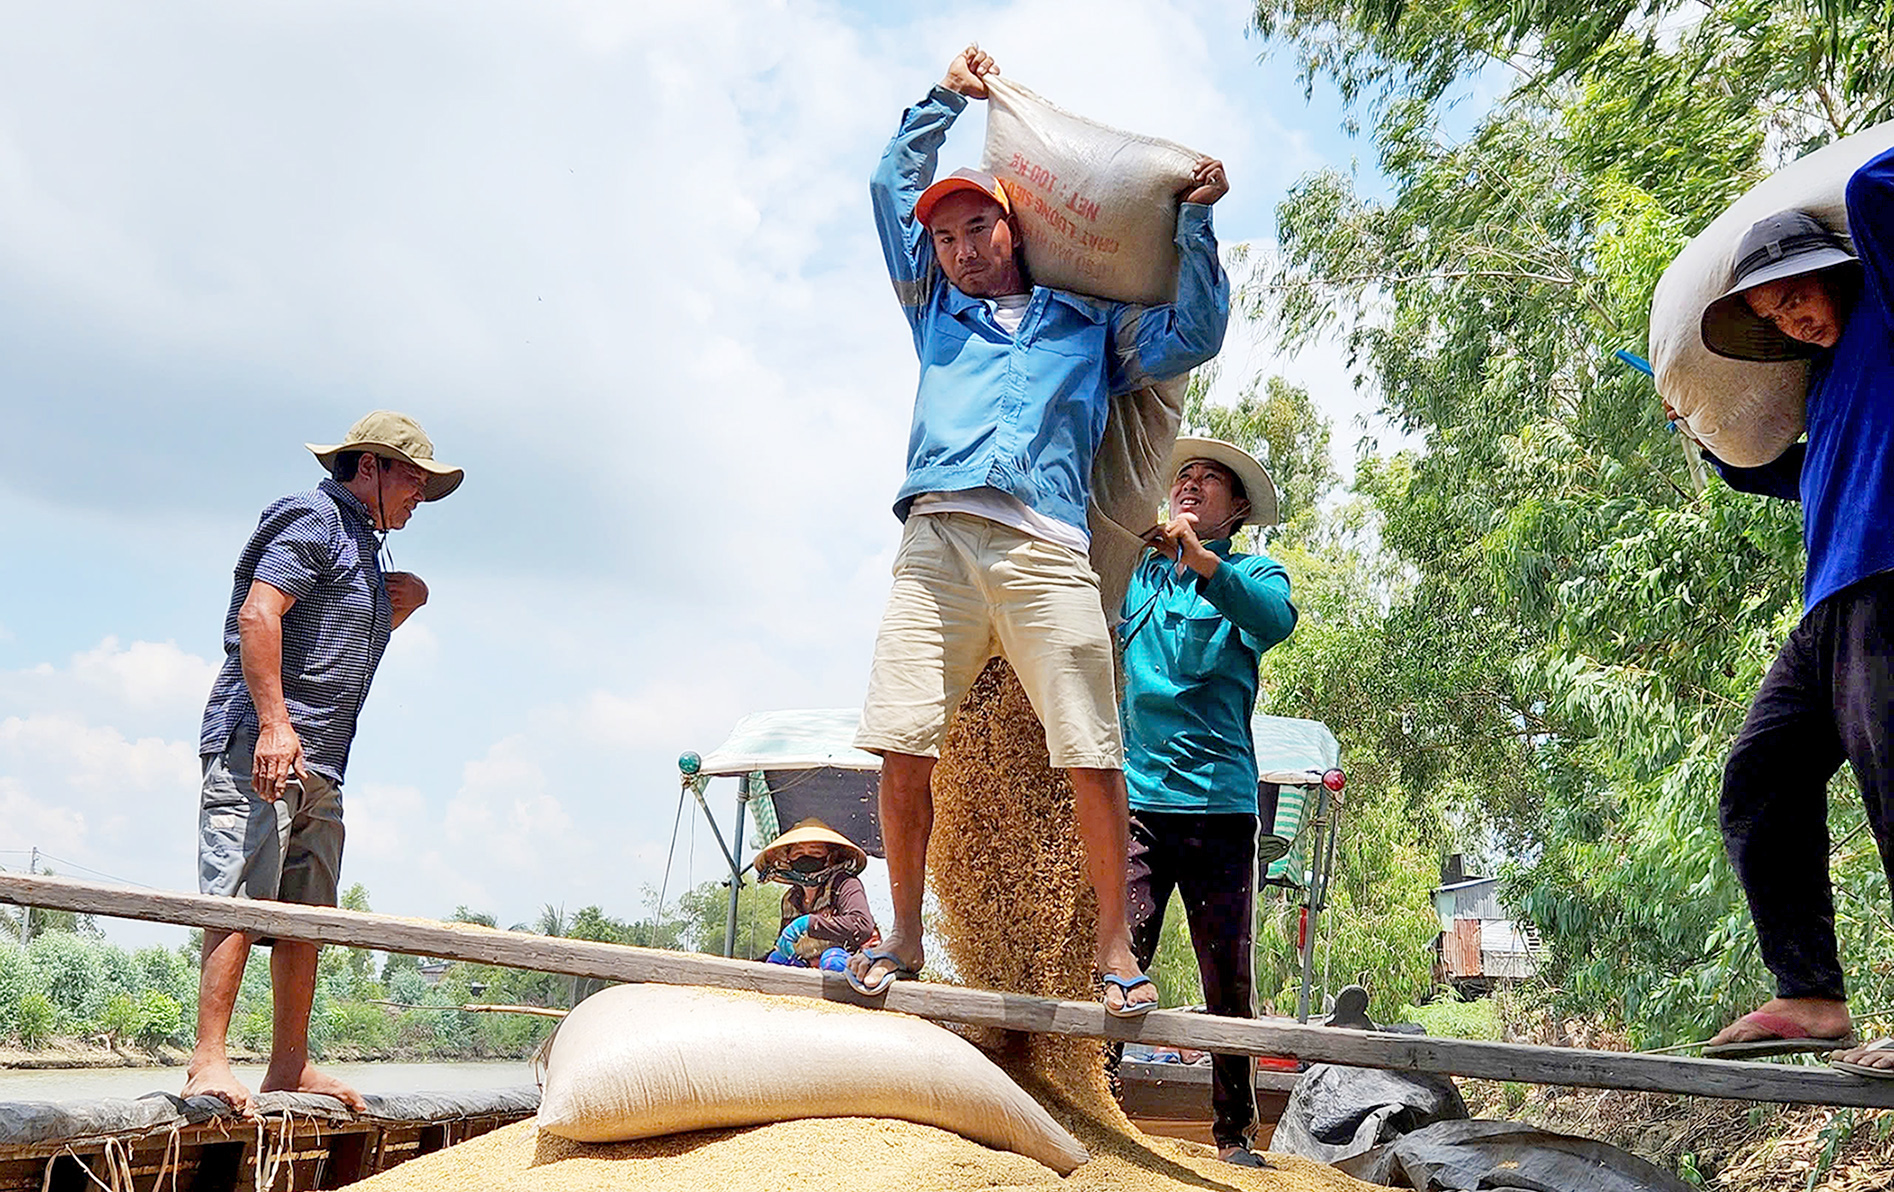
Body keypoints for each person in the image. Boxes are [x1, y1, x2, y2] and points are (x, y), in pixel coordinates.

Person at [848, 46, 1231, 1013]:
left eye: (978, 228)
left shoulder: (1086, 327)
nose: (962, 248)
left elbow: (1192, 335)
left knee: (1092, 750)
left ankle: (1113, 948)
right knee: (901, 740)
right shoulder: (934, 310)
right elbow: (889, 182)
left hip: (1046, 547)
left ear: (1014, 231)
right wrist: (944, 98)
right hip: (935, 538)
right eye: (947, 239)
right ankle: (902, 934)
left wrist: (1196, 221)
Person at [183, 412, 463, 1112]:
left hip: (324, 762)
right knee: (239, 897)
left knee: (308, 913)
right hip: (263, 746)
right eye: (412, 479)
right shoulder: (313, 517)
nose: (419, 497)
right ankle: (208, 1061)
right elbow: (259, 615)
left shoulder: (366, 549)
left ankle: (289, 1065)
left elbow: (333, 640)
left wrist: (401, 605)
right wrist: (276, 727)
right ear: (368, 467)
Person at [1688, 145, 1894, 1078]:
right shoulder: (1824, 388)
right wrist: (1713, 445)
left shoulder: (1887, 311)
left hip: (1890, 584)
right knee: (1760, 779)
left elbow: (1872, 189)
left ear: (1835, 267)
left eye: (1797, 292)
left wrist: (1851, 198)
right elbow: (1788, 474)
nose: (1794, 317)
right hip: (1829, 614)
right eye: (1773, 313)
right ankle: (1811, 994)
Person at [1113, 438, 1296, 1165]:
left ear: (1238, 509)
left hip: (1220, 806)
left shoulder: (1252, 571)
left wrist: (1203, 562)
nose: (1189, 485)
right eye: (1183, 477)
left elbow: (1273, 619)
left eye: (1209, 481)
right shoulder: (1137, 573)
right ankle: (1100, 1105)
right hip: (1140, 803)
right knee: (1121, 959)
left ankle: (1234, 1136)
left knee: (1228, 978)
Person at [755, 819, 881, 966]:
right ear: (789, 859)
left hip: (851, 960)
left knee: (832, 960)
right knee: (777, 959)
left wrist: (808, 923)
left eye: (815, 852)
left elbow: (862, 925)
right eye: (799, 852)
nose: (806, 856)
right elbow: (784, 944)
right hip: (809, 963)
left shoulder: (844, 884)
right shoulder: (790, 899)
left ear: (829, 858)